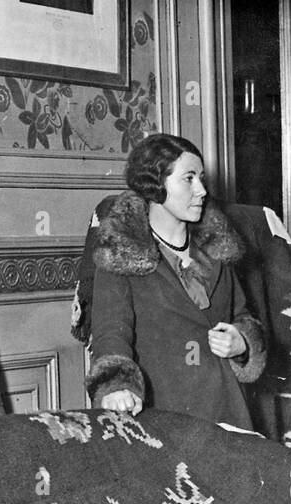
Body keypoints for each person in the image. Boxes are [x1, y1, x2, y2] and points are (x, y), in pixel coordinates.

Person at [87, 134, 266, 428]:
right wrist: (117, 387)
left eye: (202, 179)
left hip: (228, 412)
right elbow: (110, 335)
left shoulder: (218, 248)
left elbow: (242, 315)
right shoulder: (119, 254)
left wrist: (242, 341)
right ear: (156, 185)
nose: (202, 190)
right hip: (162, 415)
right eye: (189, 179)